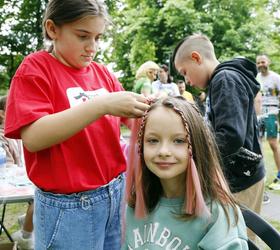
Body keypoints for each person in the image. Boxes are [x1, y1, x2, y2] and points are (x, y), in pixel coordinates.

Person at [4, 1, 149, 249]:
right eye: (83, 36)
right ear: (52, 29)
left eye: (98, 37)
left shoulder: (103, 73)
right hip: (68, 207)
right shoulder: (35, 69)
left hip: (114, 193)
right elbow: (34, 137)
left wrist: (158, 109)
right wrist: (101, 105)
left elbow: (134, 116)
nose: (92, 47)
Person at [123, 96, 248, 249]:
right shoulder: (136, 203)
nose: (164, 151)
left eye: (179, 141)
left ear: (197, 146)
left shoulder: (217, 215)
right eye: (153, 140)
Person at [172, 34, 265, 238]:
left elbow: (230, 136)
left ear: (196, 57)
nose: (187, 81)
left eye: (185, 72)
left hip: (242, 180)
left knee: (239, 239)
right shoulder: (221, 80)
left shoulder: (225, 79)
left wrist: (194, 152)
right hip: (238, 177)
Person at [0, 95, 34, 249]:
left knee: (48, 191)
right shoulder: (2, 136)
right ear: (2, 114)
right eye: (14, 109)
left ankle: (26, 222)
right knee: (41, 195)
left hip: (26, 180)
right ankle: (25, 236)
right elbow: (6, 168)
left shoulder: (24, 132)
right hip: (10, 184)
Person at [256, 54, 280, 190]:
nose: (261, 64)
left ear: (268, 62)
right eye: (258, 63)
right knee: (257, 145)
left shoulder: (276, 78)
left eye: (263, 62)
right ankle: (260, 176)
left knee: (273, 144)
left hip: (272, 113)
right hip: (258, 115)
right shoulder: (256, 78)